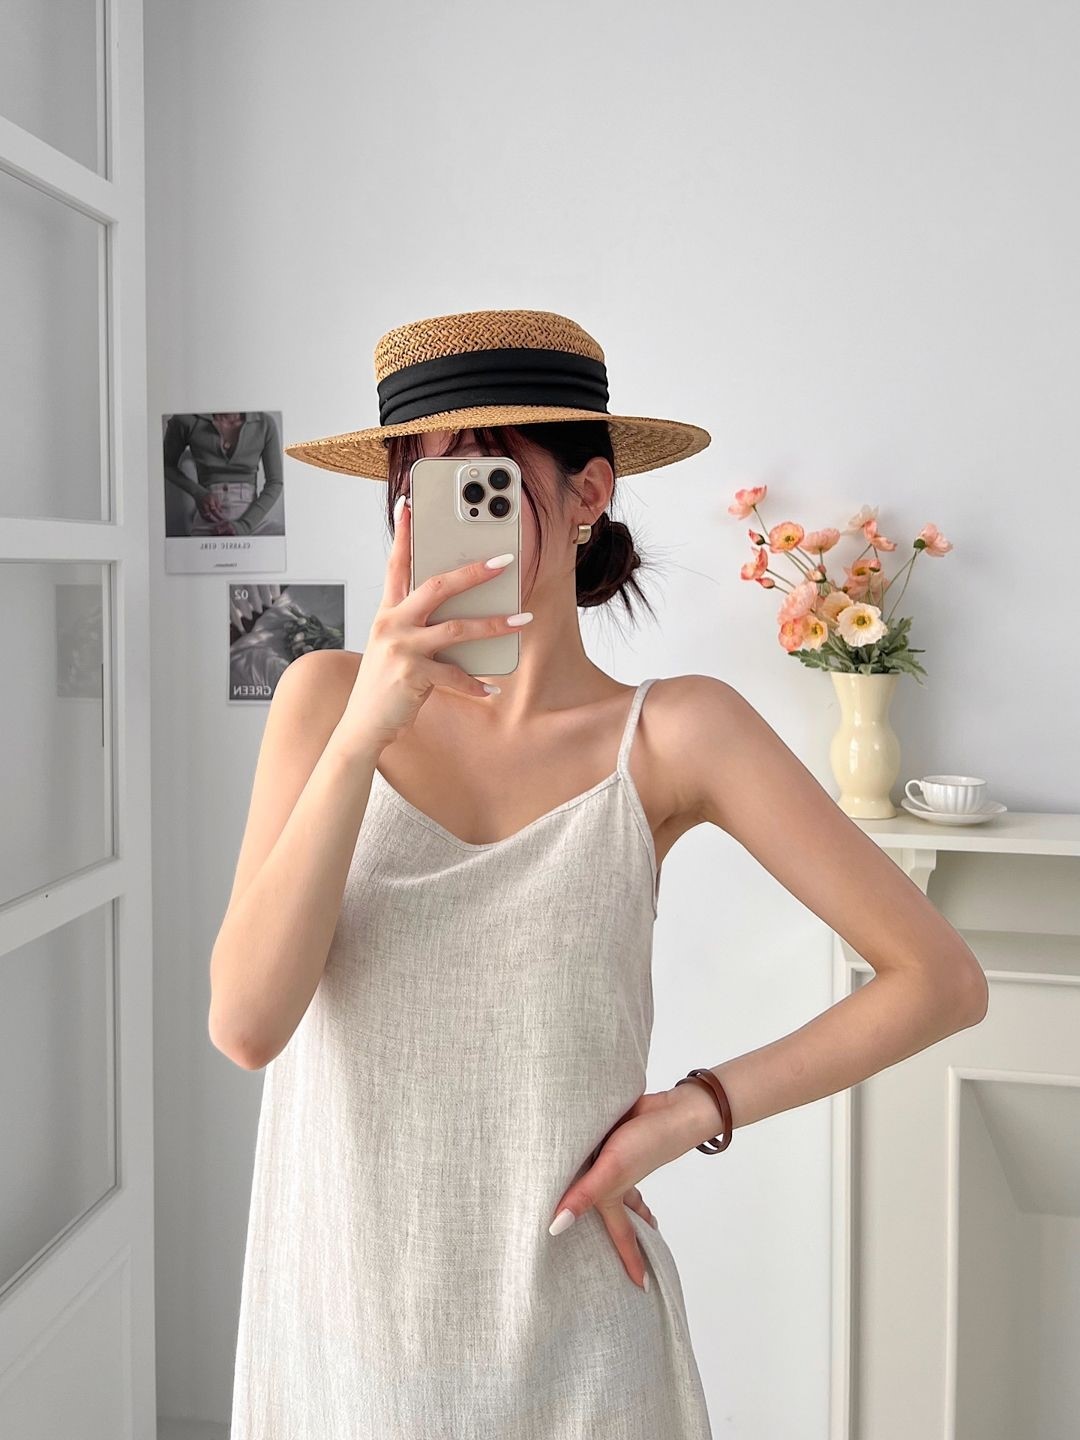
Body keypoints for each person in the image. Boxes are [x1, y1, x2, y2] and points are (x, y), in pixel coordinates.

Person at [209, 309, 988, 1439]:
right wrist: (365, 732)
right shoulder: (324, 702)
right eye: (419, 491)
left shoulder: (675, 736)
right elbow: (246, 1024)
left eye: (483, 483)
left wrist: (694, 1110)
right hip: (342, 1349)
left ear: (589, 492)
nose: (449, 523)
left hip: (580, 1361)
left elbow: (941, 980)